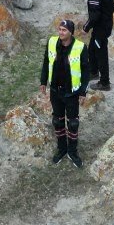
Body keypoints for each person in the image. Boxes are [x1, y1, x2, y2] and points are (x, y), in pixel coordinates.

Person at [39, 19, 90, 168]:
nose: (61, 32)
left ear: (70, 32)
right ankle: (61, 149)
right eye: (60, 29)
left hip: (72, 93)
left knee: (73, 123)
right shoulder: (52, 42)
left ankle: (72, 152)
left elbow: (86, 72)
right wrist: (43, 82)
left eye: (64, 30)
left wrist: (83, 92)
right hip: (55, 91)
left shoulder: (80, 47)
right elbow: (46, 62)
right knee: (58, 121)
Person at [83, 0, 114, 91]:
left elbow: (94, 15)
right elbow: (112, 7)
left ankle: (104, 82)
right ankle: (93, 71)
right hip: (106, 25)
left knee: (101, 53)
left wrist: (86, 28)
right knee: (92, 48)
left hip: (100, 28)